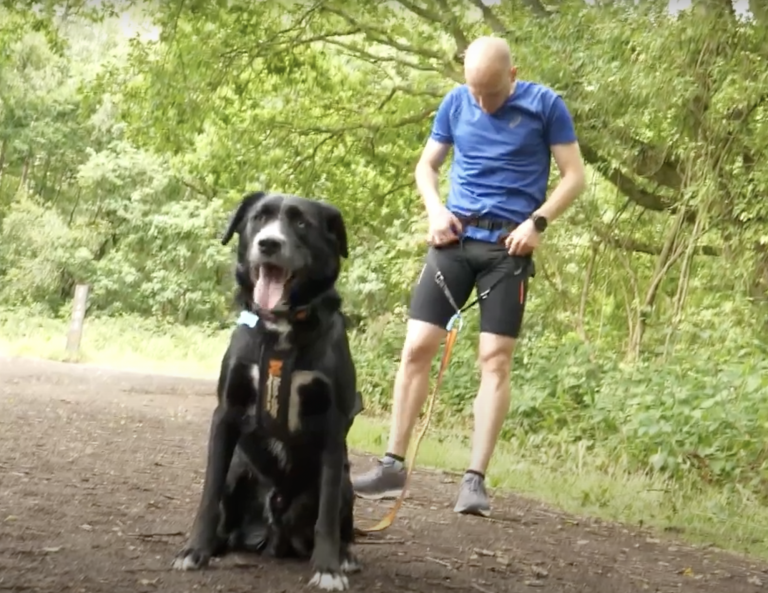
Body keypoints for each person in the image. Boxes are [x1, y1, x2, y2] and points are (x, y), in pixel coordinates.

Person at [351, 36, 586, 517]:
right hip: (453, 240)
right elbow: (427, 166)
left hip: (508, 248)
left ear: (513, 75)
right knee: (416, 348)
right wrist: (434, 210)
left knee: (494, 359)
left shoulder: (546, 105)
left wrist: (537, 223)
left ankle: (474, 481)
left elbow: (574, 175)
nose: (482, 103)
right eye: (475, 92)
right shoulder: (456, 102)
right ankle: (392, 467)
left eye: (491, 94)